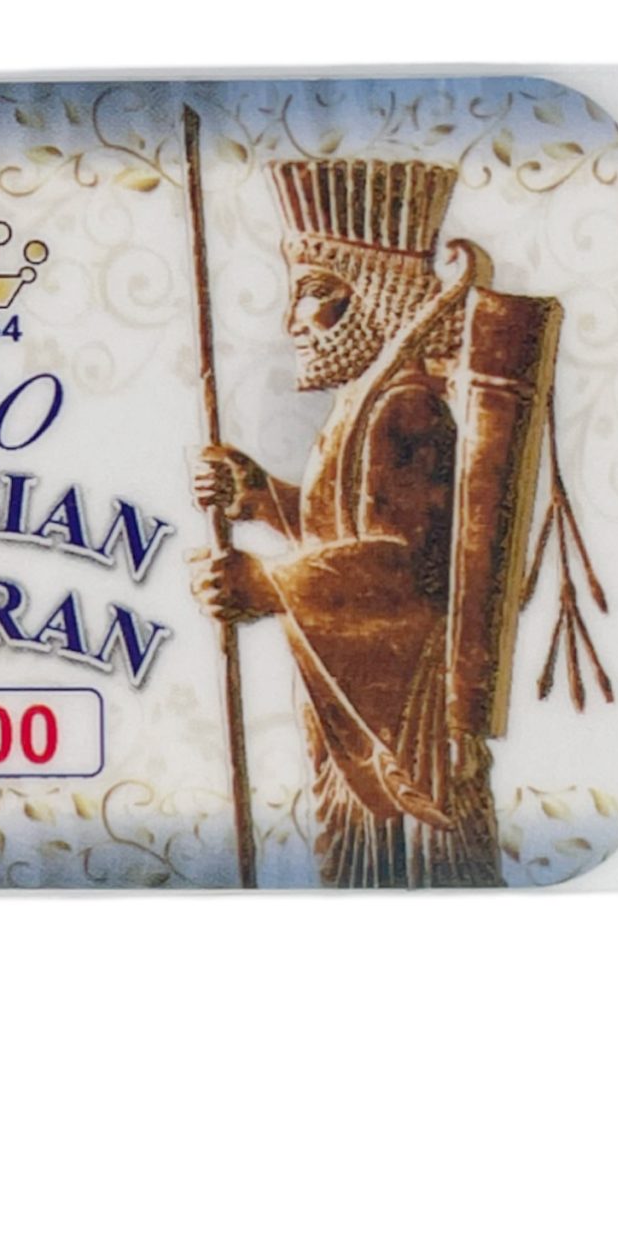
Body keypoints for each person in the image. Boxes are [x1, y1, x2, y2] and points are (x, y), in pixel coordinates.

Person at [187, 156, 503, 888]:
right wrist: (259, 495)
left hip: (409, 737)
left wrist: (269, 584)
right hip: (370, 727)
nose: (292, 320)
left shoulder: (406, 406)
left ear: (376, 292)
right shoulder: (368, 402)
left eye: (315, 293)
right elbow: (346, 530)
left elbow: (401, 571)